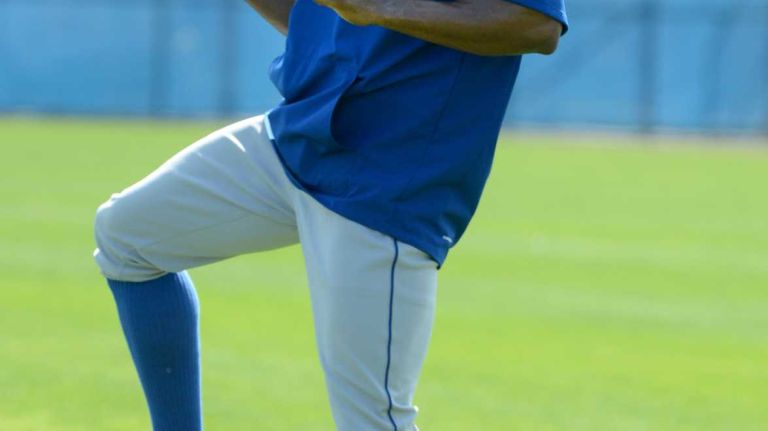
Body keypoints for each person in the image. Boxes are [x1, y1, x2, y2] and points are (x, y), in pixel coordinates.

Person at [93, 0, 568, 429]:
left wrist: (384, 9)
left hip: (387, 178)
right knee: (127, 238)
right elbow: (312, 18)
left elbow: (534, 23)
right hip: (297, 135)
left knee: (371, 420)